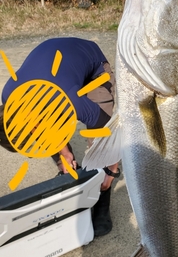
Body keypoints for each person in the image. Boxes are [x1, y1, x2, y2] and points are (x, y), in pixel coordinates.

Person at [0, 37, 119, 237]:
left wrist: (110, 172)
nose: (37, 140)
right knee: (51, 131)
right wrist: (64, 153)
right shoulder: (8, 96)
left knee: (100, 139)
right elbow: (41, 127)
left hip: (92, 65)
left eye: (33, 136)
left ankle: (102, 194)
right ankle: (70, 168)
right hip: (57, 67)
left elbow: (110, 133)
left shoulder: (74, 102)